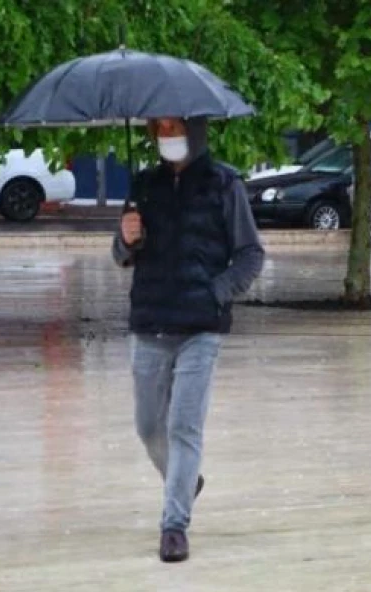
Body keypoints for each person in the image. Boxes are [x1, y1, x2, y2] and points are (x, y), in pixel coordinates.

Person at [112, 117, 265, 561]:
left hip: (200, 327)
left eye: (175, 127)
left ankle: (174, 524)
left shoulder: (224, 184)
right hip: (149, 321)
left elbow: (251, 254)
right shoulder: (142, 185)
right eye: (159, 129)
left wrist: (215, 293)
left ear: (195, 130)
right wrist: (126, 240)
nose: (167, 136)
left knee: (184, 425)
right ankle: (186, 479)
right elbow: (121, 254)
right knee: (147, 427)